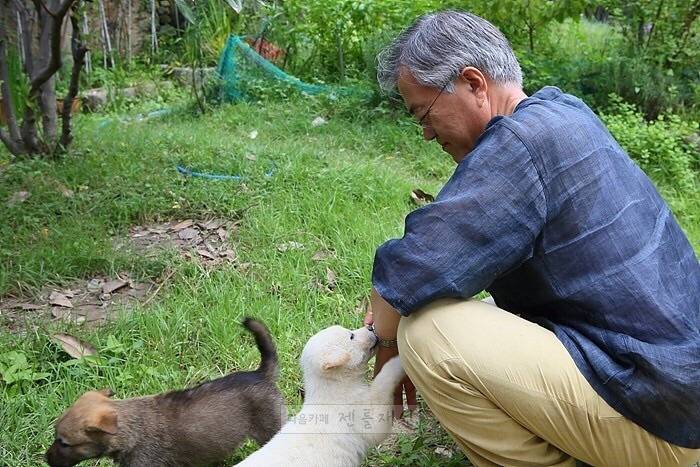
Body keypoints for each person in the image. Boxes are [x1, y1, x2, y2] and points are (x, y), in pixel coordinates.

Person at [364, 10, 700, 467]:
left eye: (422, 112)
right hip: (676, 382)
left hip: (666, 417)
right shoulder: (563, 111)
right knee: (479, 315)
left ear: (473, 83)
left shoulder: (521, 144)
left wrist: (385, 346)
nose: (424, 133)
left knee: (430, 333)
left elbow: (413, 270)